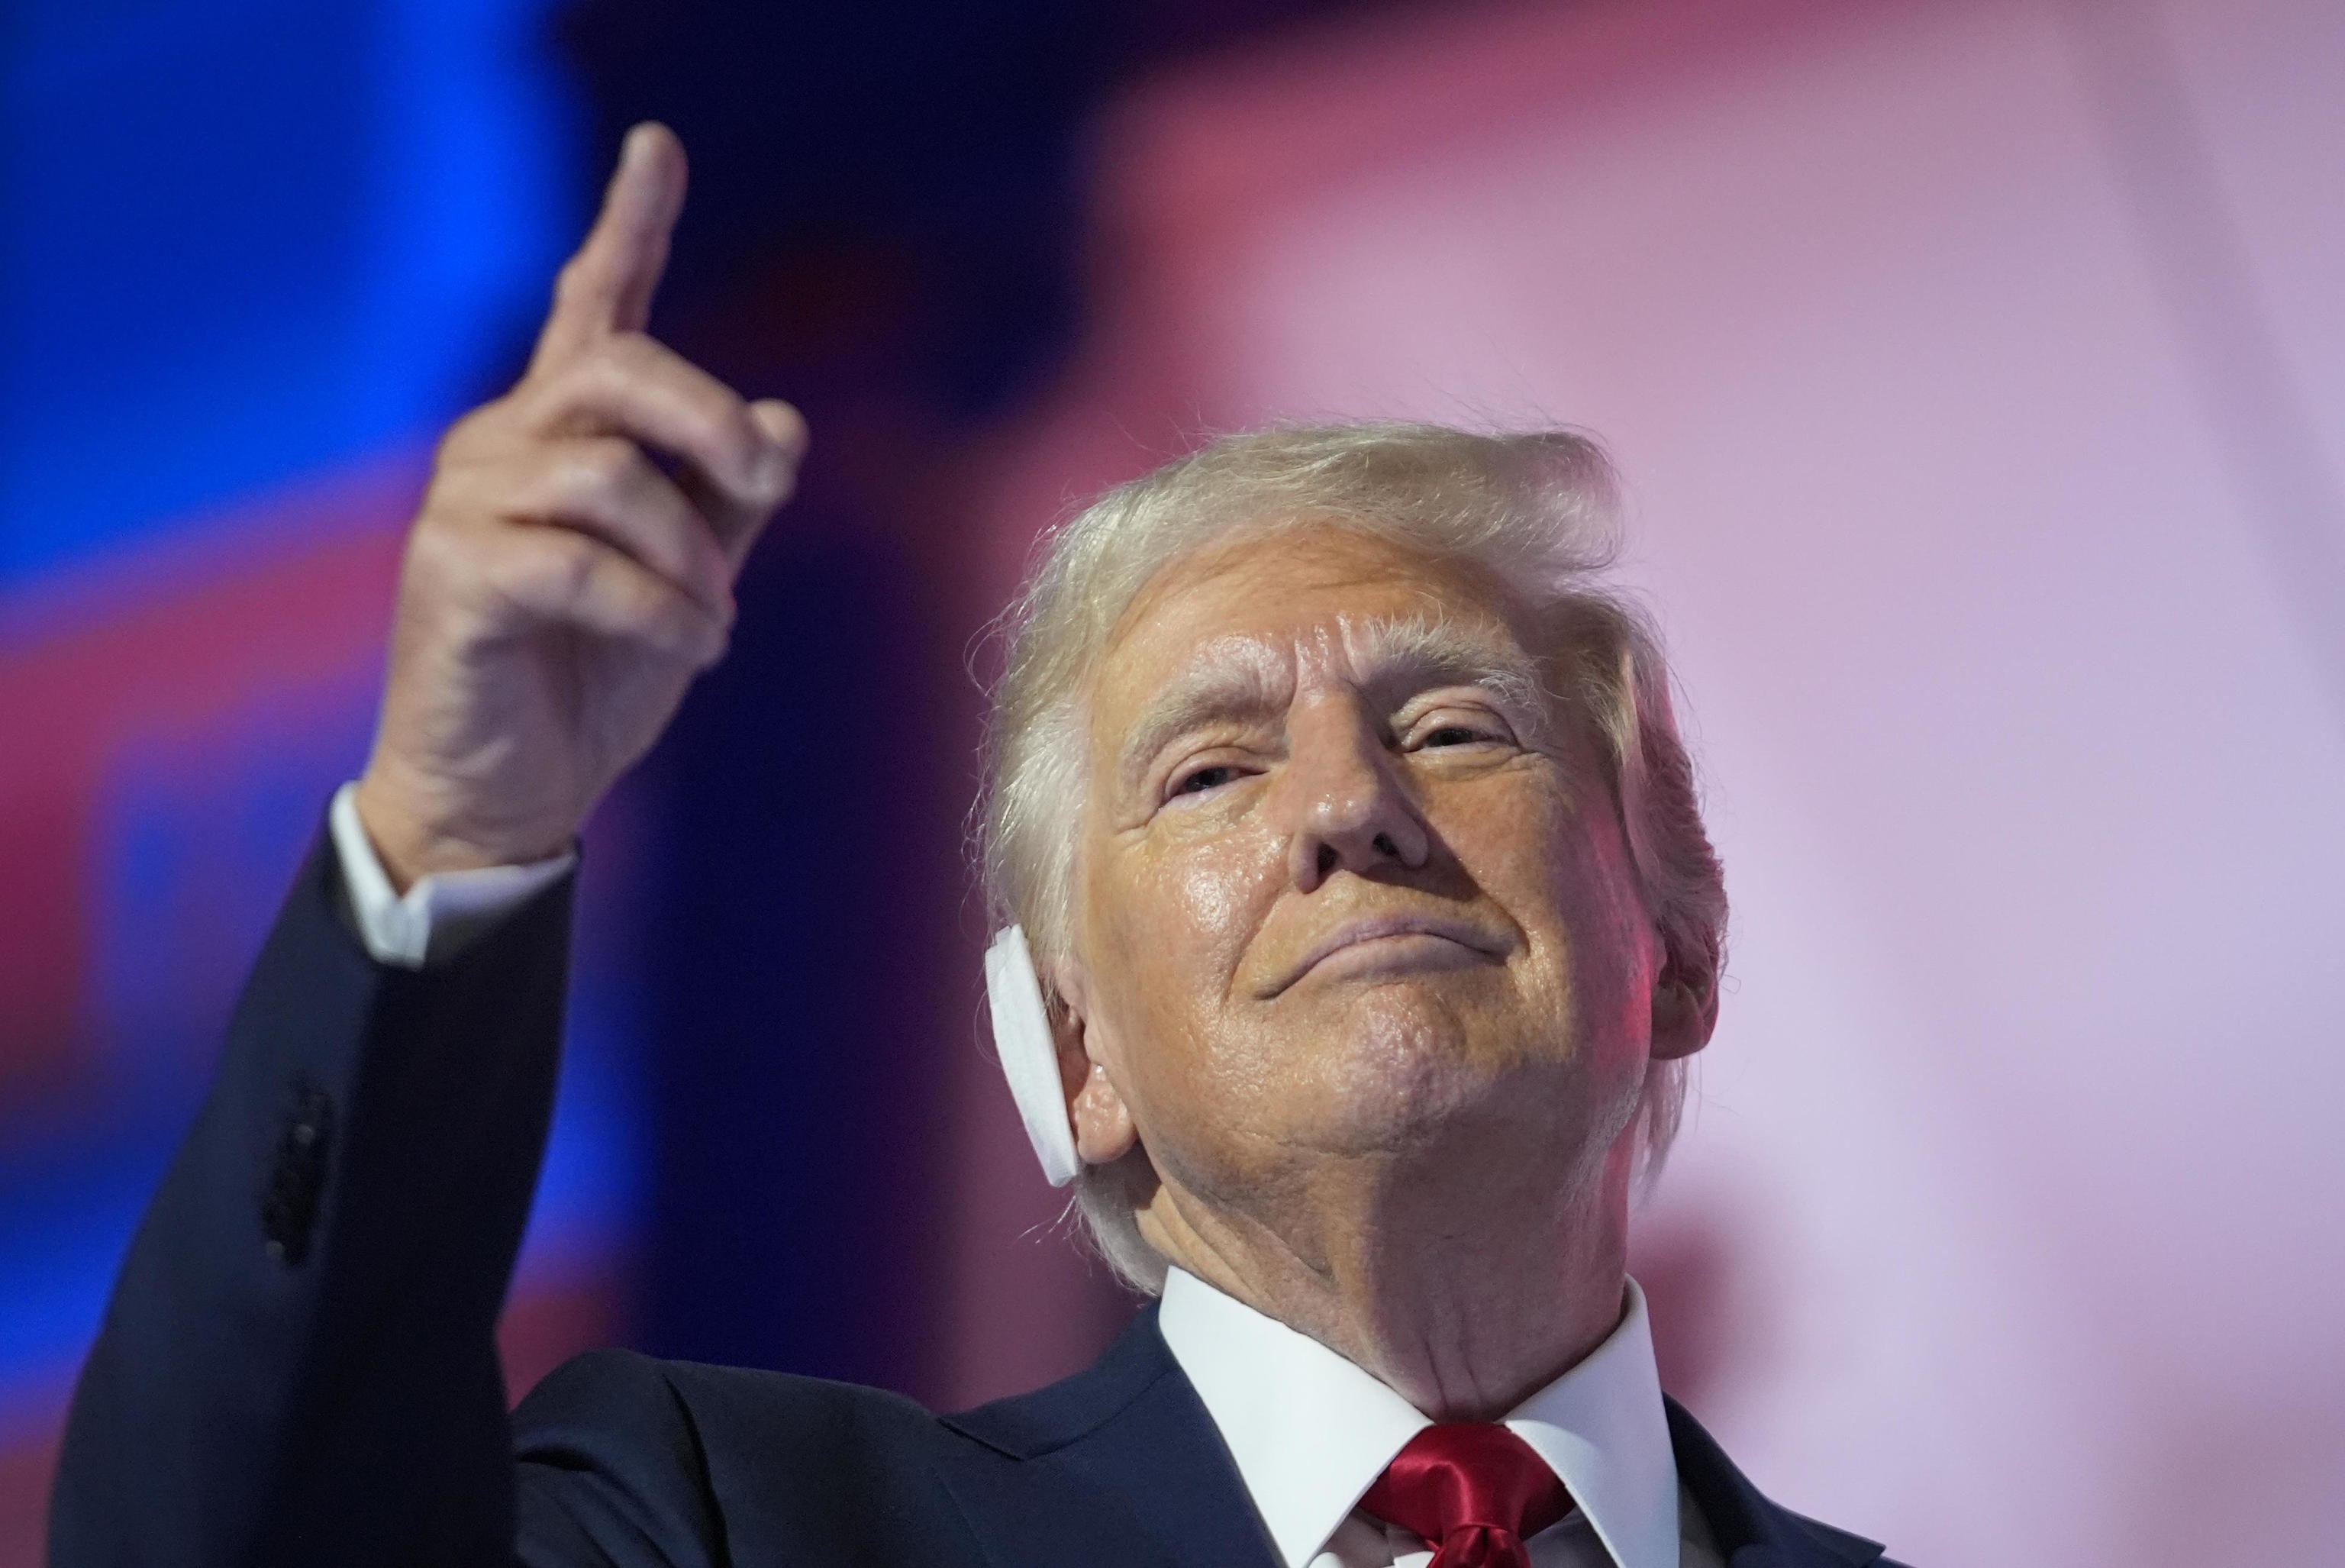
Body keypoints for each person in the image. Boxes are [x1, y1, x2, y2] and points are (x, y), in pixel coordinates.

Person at [48, 124, 1905, 1568]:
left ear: (1680, 945)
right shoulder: (738, 1527)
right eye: (1207, 774)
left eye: (1451, 724)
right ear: (1079, 1057)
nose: (1350, 806)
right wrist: (454, 826)